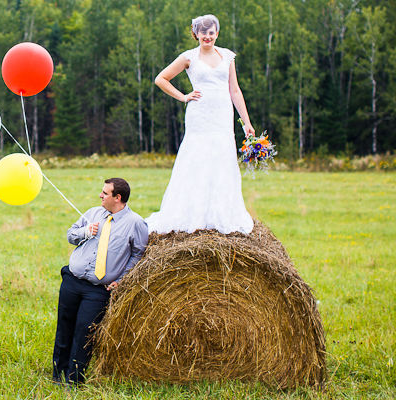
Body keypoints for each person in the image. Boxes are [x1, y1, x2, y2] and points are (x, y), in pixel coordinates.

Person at [146, 14, 255, 235]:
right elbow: (161, 79)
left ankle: (219, 215)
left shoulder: (227, 56)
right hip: (200, 117)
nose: (207, 36)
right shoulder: (188, 57)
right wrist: (183, 96)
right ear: (196, 34)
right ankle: (193, 216)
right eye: (203, 32)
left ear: (217, 33)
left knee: (221, 159)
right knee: (198, 159)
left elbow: (235, 90)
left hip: (222, 118)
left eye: (211, 32)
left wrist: (246, 123)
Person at [52, 178, 148, 385]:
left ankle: (74, 380)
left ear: (118, 197)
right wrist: (85, 232)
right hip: (72, 279)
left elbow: (138, 255)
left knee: (84, 331)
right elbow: (71, 235)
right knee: (64, 326)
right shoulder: (93, 213)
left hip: (98, 289)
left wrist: (122, 280)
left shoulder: (136, 223)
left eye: (105, 193)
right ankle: (57, 375)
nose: (100, 196)